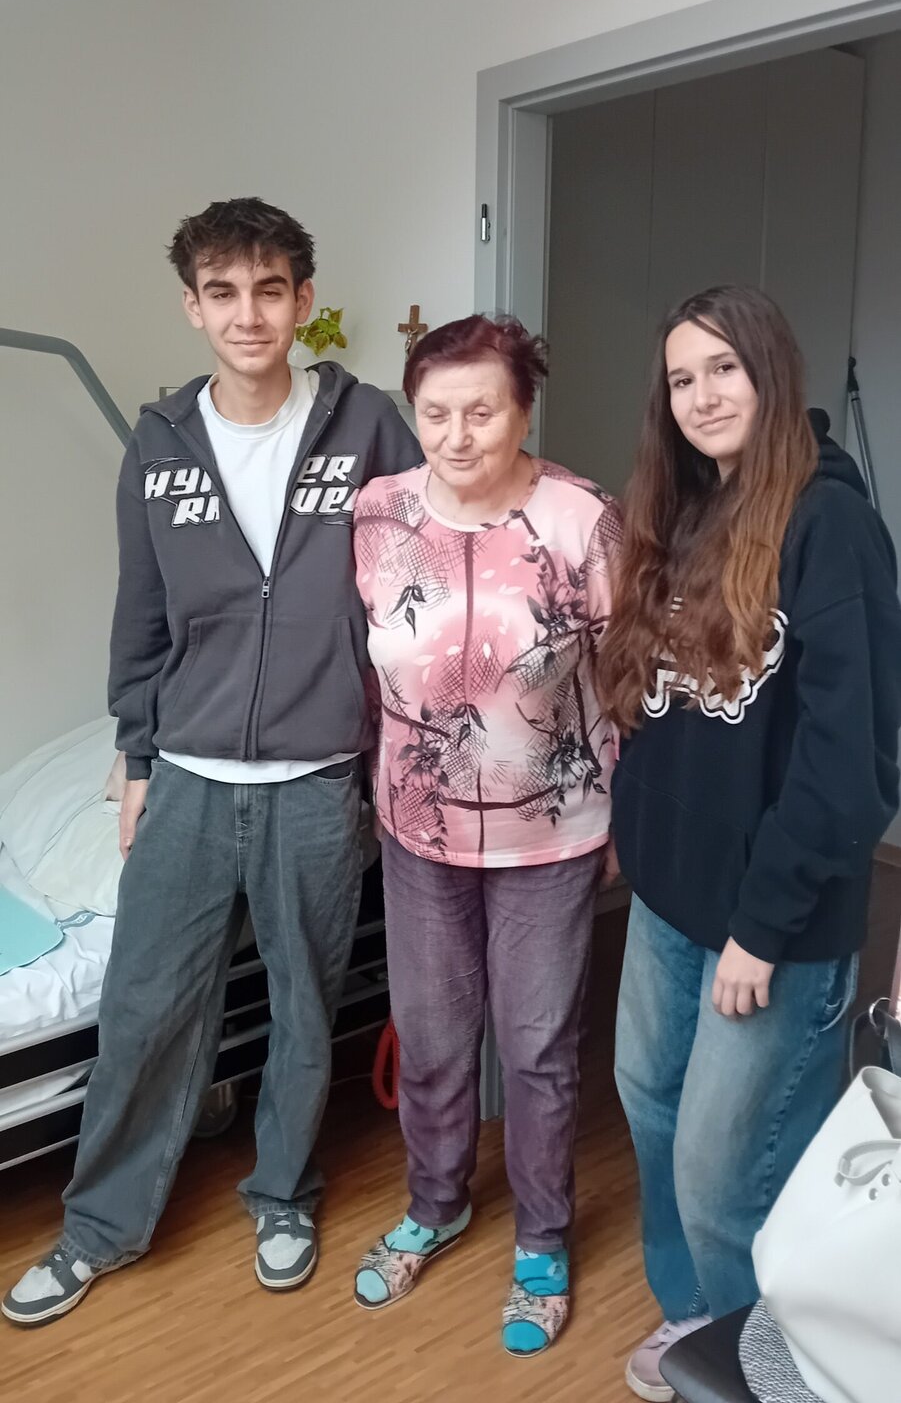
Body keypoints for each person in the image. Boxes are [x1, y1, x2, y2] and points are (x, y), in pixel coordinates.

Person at [2, 196, 422, 1327]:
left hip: (318, 781)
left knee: (303, 1007)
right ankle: (99, 1226)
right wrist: (135, 752)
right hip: (188, 776)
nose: (248, 315)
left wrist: (394, 746)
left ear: (302, 302)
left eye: (270, 290)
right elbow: (140, 614)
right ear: (193, 307)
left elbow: (416, 586)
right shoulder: (160, 442)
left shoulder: (368, 426)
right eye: (223, 293)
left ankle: (283, 1194)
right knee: (143, 1008)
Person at [596, 285, 901, 1402]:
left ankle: (766, 1363)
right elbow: (666, 715)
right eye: (682, 378)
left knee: (726, 1165)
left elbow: (848, 765)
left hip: (768, 924)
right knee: (649, 1104)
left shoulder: (829, 527)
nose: (702, 396)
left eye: (723, 368)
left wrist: (760, 929)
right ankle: (697, 1321)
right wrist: (634, 837)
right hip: (669, 900)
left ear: (771, 372)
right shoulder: (686, 509)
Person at [351, 313, 623, 1357]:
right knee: (429, 1036)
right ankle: (437, 1201)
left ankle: (543, 1238)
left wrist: (625, 811)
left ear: (522, 411)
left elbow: (623, 680)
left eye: (481, 411)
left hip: (550, 837)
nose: (456, 435)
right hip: (417, 832)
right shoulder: (378, 512)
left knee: (538, 1049)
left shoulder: (580, 518)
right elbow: (364, 661)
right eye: (435, 413)